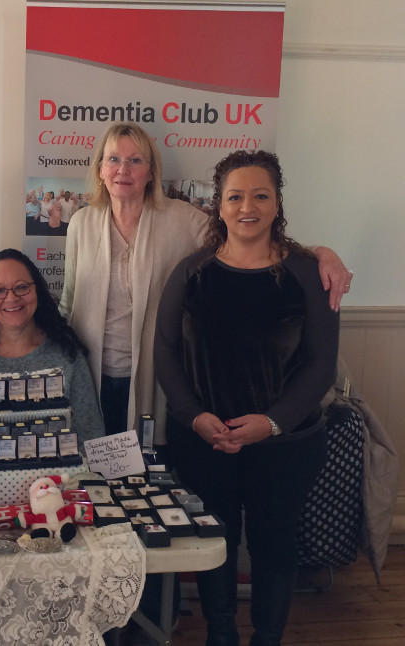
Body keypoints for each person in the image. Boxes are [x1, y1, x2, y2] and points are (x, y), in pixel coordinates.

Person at [60, 122, 352, 442]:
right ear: (100, 169)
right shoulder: (81, 223)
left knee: (146, 474)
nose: (123, 169)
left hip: (153, 377)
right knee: (95, 469)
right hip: (93, 374)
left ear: (151, 172)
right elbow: (69, 300)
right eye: (113, 159)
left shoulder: (181, 219)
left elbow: (245, 239)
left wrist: (317, 253)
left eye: (135, 160)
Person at [154, 150, 339, 646]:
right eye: (235, 196)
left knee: (274, 545)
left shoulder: (306, 276)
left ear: (278, 203)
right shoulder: (191, 272)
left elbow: (321, 364)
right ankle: (221, 635)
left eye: (261, 195)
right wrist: (194, 417)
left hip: (286, 445)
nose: (247, 206)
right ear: (219, 206)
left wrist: (273, 423)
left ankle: (267, 638)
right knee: (215, 543)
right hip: (203, 440)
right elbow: (166, 352)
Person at [0, 248, 105, 445]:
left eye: (21, 287)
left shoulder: (67, 353)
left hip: (58, 475)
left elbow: (90, 433)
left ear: (36, 290)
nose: (11, 298)